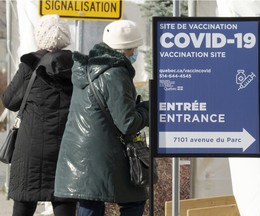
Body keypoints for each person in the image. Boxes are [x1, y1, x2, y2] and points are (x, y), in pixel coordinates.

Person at [54, 20, 149, 216]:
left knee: (91, 202)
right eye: (134, 49)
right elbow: (127, 122)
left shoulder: (88, 67)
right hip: (103, 153)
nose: (135, 53)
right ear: (127, 50)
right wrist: (149, 110)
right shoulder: (115, 73)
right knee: (134, 200)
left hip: (79, 153)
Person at [1, 14, 77, 216]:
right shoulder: (77, 67)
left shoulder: (30, 65)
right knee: (63, 200)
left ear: (41, 37)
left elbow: (10, 101)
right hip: (66, 148)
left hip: (30, 149)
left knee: (24, 202)